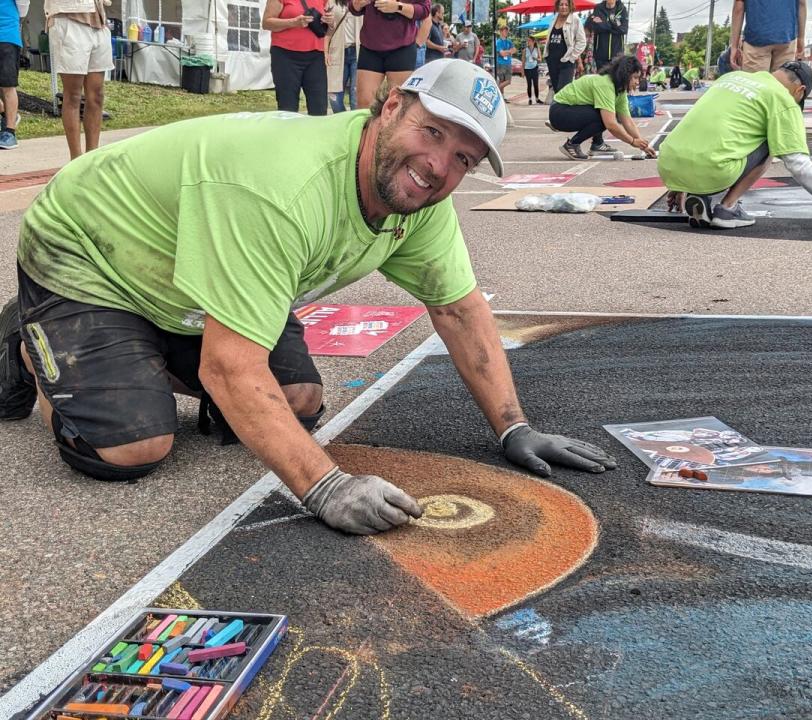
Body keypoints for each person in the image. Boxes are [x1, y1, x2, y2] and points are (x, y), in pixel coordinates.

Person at [0, 59, 617, 536]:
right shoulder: (284, 189)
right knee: (133, 447)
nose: (436, 165)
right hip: (91, 252)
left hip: (185, 274)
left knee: (295, 403)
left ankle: (131, 353)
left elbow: (458, 308)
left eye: (462, 157)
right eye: (430, 132)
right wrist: (324, 486)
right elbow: (229, 366)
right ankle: (30, 341)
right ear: (390, 107)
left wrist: (514, 428)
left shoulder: (418, 199)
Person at [657, 61, 812, 230]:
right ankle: (728, 209)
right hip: (713, 169)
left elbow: (703, 125)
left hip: (667, 164)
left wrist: (677, 184)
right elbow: (797, 163)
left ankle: (696, 193)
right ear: (800, 90)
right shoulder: (782, 98)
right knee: (774, 142)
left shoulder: (730, 77)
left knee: (723, 133)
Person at [549, 54, 656, 160]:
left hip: (567, 110)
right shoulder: (605, 84)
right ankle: (572, 145)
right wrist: (632, 141)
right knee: (604, 118)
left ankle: (597, 144)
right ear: (625, 74)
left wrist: (644, 146)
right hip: (559, 112)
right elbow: (611, 125)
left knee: (604, 115)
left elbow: (627, 121)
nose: (637, 82)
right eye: (635, 78)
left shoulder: (620, 90)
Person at [44, 0, 112, 159]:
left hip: (97, 20)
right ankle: (75, 159)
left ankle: (92, 158)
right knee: (73, 95)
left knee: (96, 95)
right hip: (68, 18)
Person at [349, 0, 429, 108]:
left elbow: (424, 10)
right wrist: (358, 3)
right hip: (370, 45)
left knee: (398, 104)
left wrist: (398, 7)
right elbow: (353, 7)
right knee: (364, 103)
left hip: (402, 47)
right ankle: (368, 125)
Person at [263, 0, 329, 116]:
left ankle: (316, 133)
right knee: (288, 107)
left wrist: (330, 22)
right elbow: (266, 23)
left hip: (315, 55)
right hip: (285, 55)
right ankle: (288, 133)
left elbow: (325, 30)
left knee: (320, 107)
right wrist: (293, 22)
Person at [730, 0, 806, 73]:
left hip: (757, 38)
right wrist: (801, 38)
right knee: (781, 83)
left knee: (756, 84)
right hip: (786, 36)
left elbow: (738, 7)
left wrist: (734, 46)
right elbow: (801, 3)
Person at [545, 0, 585, 96]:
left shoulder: (575, 19)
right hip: (552, 61)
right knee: (557, 91)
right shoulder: (554, 19)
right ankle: (559, 111)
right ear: (557, 6)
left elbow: (582, 41)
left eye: (566, 4)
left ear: (570, 6)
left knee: (563, 92)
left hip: (566, 62)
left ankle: (563, 110)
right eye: (561, 4)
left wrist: (572, 58)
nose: (563, 7)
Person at [0, 0, 25, 149]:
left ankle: (10, 132)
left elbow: (23, 5)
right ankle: (8, 114)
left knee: (7, 85)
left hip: (6, 34)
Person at [588, 0, 627, 72]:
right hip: (600, 54)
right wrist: (614, 25)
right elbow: (595, 27)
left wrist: (604, 24)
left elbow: (624, 30)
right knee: (601, 80)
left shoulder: (622, 9)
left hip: (617, 55)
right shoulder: (598, 8)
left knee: (615, 80)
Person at [325, 0, 350, 112]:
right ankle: (341, 124)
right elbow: (325, 29)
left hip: (360, 51)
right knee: (334, 95)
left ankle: (355, 128)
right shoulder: (330, 2)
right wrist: (325, 51)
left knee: (356, 96)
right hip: (336, 50)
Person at [494, 25, 515, 99]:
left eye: (507, 31)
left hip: (508, 63)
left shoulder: (509, 41)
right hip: (501, 63)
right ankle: (501, 96)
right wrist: (509, 51)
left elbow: (514, 50)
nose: (506, 32)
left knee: (508, 81)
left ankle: (496, 90)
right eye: (505, 31)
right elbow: (501, 53)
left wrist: (506, 52)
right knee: (502, 80)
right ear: (501, 32)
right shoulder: (498, 42)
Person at [523, 35, 542, 104]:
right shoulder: (525, 50)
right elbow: (523, 61)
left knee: (536, 84)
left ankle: (537, 99)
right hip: (527, 69)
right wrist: (522, 71)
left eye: (529, 41)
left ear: (533, 41)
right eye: (527, 41)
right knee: (529, 85)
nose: (528, 42)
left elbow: (540, 59)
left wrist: (536, 58)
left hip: (535, 68)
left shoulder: (537, 49)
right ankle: (530, 99)